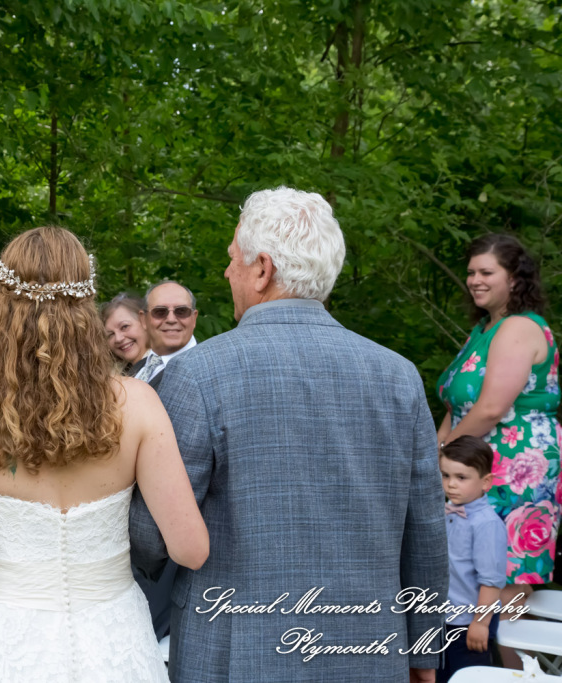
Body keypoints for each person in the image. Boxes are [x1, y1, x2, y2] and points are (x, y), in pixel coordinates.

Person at [130, 187, 448, 683]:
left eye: (233, 259)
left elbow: (153, 530)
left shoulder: (199, 374)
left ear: (262, 269)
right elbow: (425, 531)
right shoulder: (399, 375)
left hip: (232, 650)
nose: (227, 272)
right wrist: (424, 652)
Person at [0, 226, 209, 681]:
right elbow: (191, 549)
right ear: (86, 305)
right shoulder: (138, 403)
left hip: (5, 636)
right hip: (113, 635)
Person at [435, 233, 560, 667]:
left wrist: (441, 456)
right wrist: (433, 455)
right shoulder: (484, 330)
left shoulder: (519, 327)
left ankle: (520, 672)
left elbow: (490, 409)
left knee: (504, 588)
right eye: (470, 272)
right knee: (472, 578)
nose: (474, 279)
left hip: (517, 465)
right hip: (475, 462)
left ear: (514, 277)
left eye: (486, 272)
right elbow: (458, 403)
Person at [436, 436, 507, 683]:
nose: (450, 484)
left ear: (485, 481)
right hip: (445, 617)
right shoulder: (446, 512)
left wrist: (480, 622)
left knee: (467, 676)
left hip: (471, 621)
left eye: (461, 477)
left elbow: (492, 580)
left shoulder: (486, 524)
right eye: (445, 475)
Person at [134, 281, 198, 387]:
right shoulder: (138, 367)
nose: (171, 319)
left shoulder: (206, 370)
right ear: (143, 319)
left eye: (181, 311)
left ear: (194, 318)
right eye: (160, 312)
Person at [102, 293, 150, 375]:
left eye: (124, 327)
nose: (118, 338)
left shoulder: (164, 368)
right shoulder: (116, 375)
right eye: (110, 334)